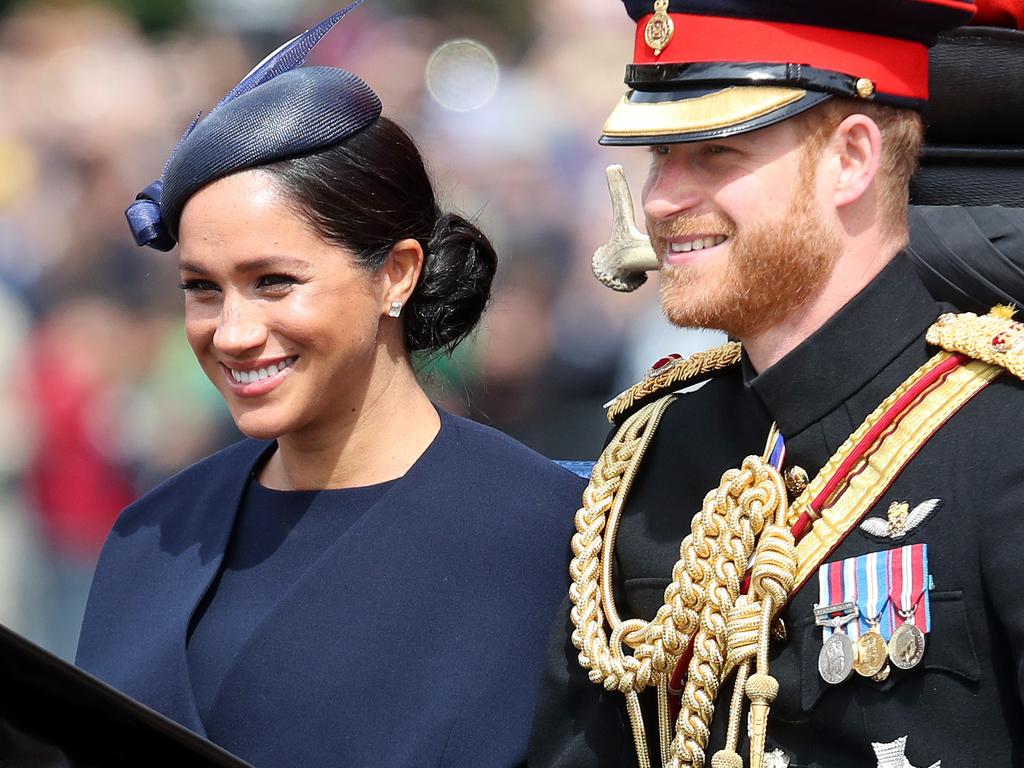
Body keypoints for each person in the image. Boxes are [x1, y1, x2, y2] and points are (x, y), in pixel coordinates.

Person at [74, 6, 585, 767]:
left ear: (396, 275)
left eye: (274, 282)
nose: (232, 331)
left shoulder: (548, 540)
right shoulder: (153, 534)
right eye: (203, 289)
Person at [529, 1, 1024, 767]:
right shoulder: (653, 450)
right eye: (660, 155)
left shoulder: (1004, 440)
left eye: (715, 154)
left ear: (852, 158)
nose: (660, 200)